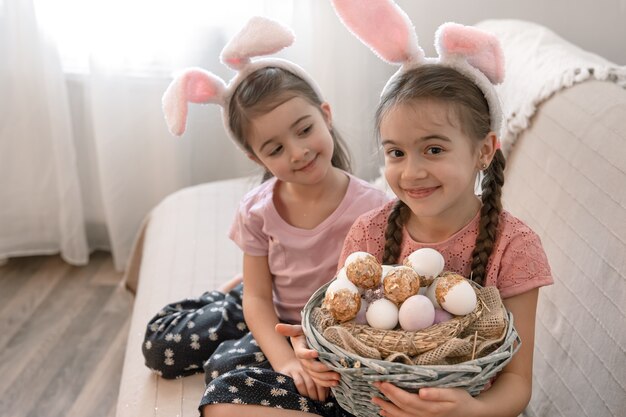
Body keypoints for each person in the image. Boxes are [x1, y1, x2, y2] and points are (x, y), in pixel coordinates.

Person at [276, 2, 554, 417]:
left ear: (483, 151)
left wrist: (470, 411)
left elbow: (516, 382)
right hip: (366, 401)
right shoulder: (369, 232)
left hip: (464, 409)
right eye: (396, 152)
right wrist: (314, 348)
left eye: (434, 149)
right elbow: (344, 318)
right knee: (228, 399)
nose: (412, 172)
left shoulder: (514, 246)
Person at [142, 16, 390, 417]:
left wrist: (312, 352)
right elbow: (259, 301)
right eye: (275, 149)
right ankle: (225, 296)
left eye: (304, 129)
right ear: (255, 157)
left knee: (226, 374)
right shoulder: (257, 210)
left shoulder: (374, 207)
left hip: (334, 334)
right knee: (160, 346)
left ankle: (237, 300)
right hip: (269, 311)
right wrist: (286, 361)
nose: (297, 152)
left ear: (326, 115)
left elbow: (378, 302)